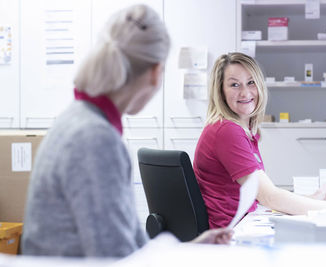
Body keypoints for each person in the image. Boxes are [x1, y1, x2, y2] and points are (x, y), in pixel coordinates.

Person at [22, 4, 232, 258]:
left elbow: (129, 242)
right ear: (156, 73)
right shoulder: (96, 138)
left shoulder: (78, 118)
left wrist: (191, 250)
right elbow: (115, 255)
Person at [193, 52, 326, 229]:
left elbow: (264, 195)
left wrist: (313, 198)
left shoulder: (241, 130)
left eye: (251, 82)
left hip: (241, 224)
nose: (245, 92)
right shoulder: (227, 131)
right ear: (220, 91)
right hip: (230, 235)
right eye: (234, 85)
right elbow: (269, 197)